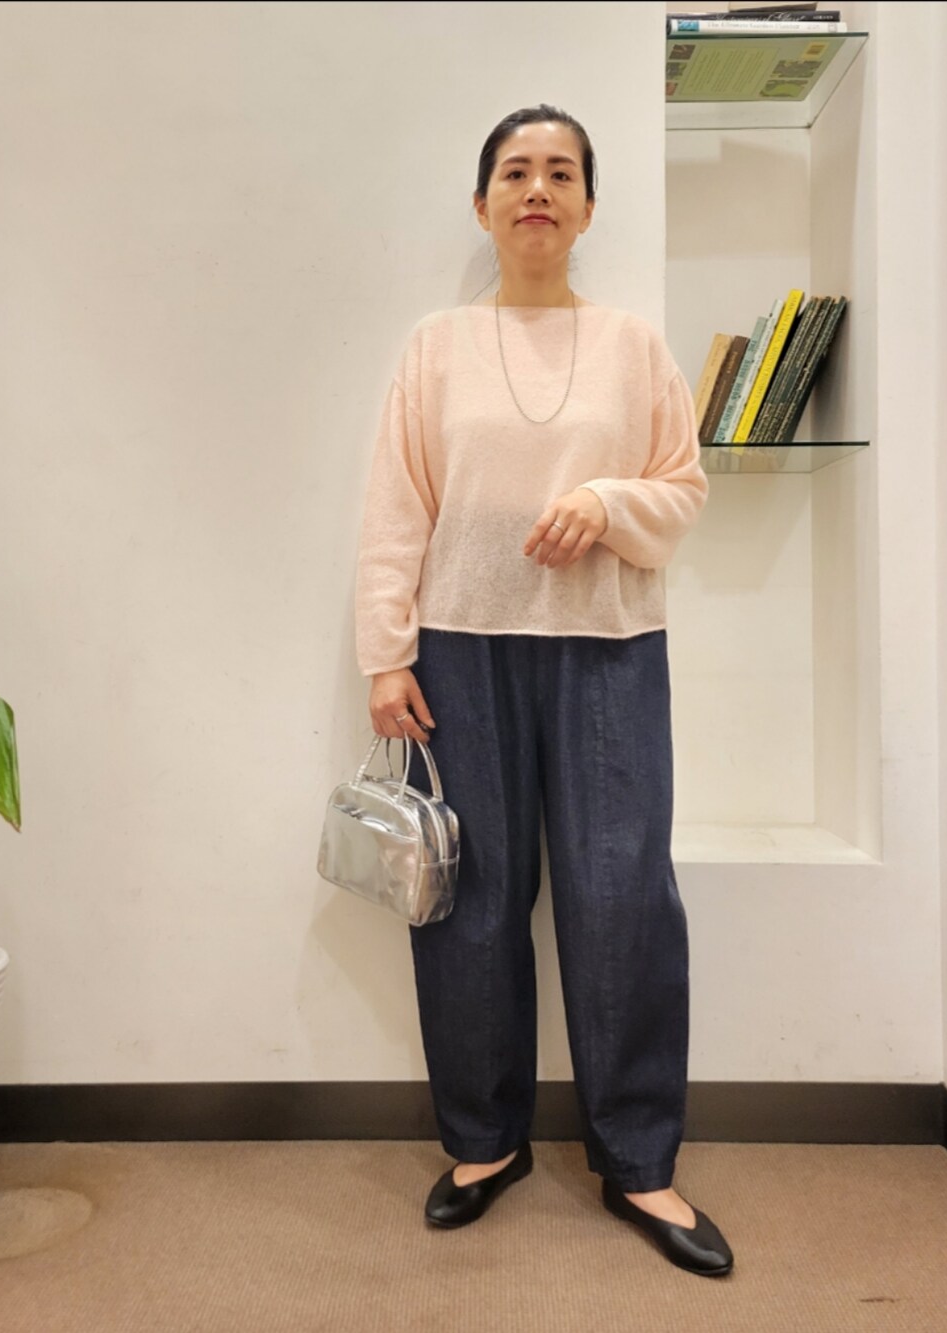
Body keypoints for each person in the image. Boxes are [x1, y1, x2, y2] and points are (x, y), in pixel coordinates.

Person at [354, 104, 733, 1279]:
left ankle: (640, 1159)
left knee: (621, 896)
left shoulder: (631, 345)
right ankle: (484, 1143)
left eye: (560, 173)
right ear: (482, 206)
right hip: (459, 650)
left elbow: (682, 489)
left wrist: (607, 501)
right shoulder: (434, 347)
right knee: (470, 900)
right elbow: (396, 506)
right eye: (515, 172)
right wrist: (385, 652)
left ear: (586, 207)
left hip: (608, 646)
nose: (537, 189)